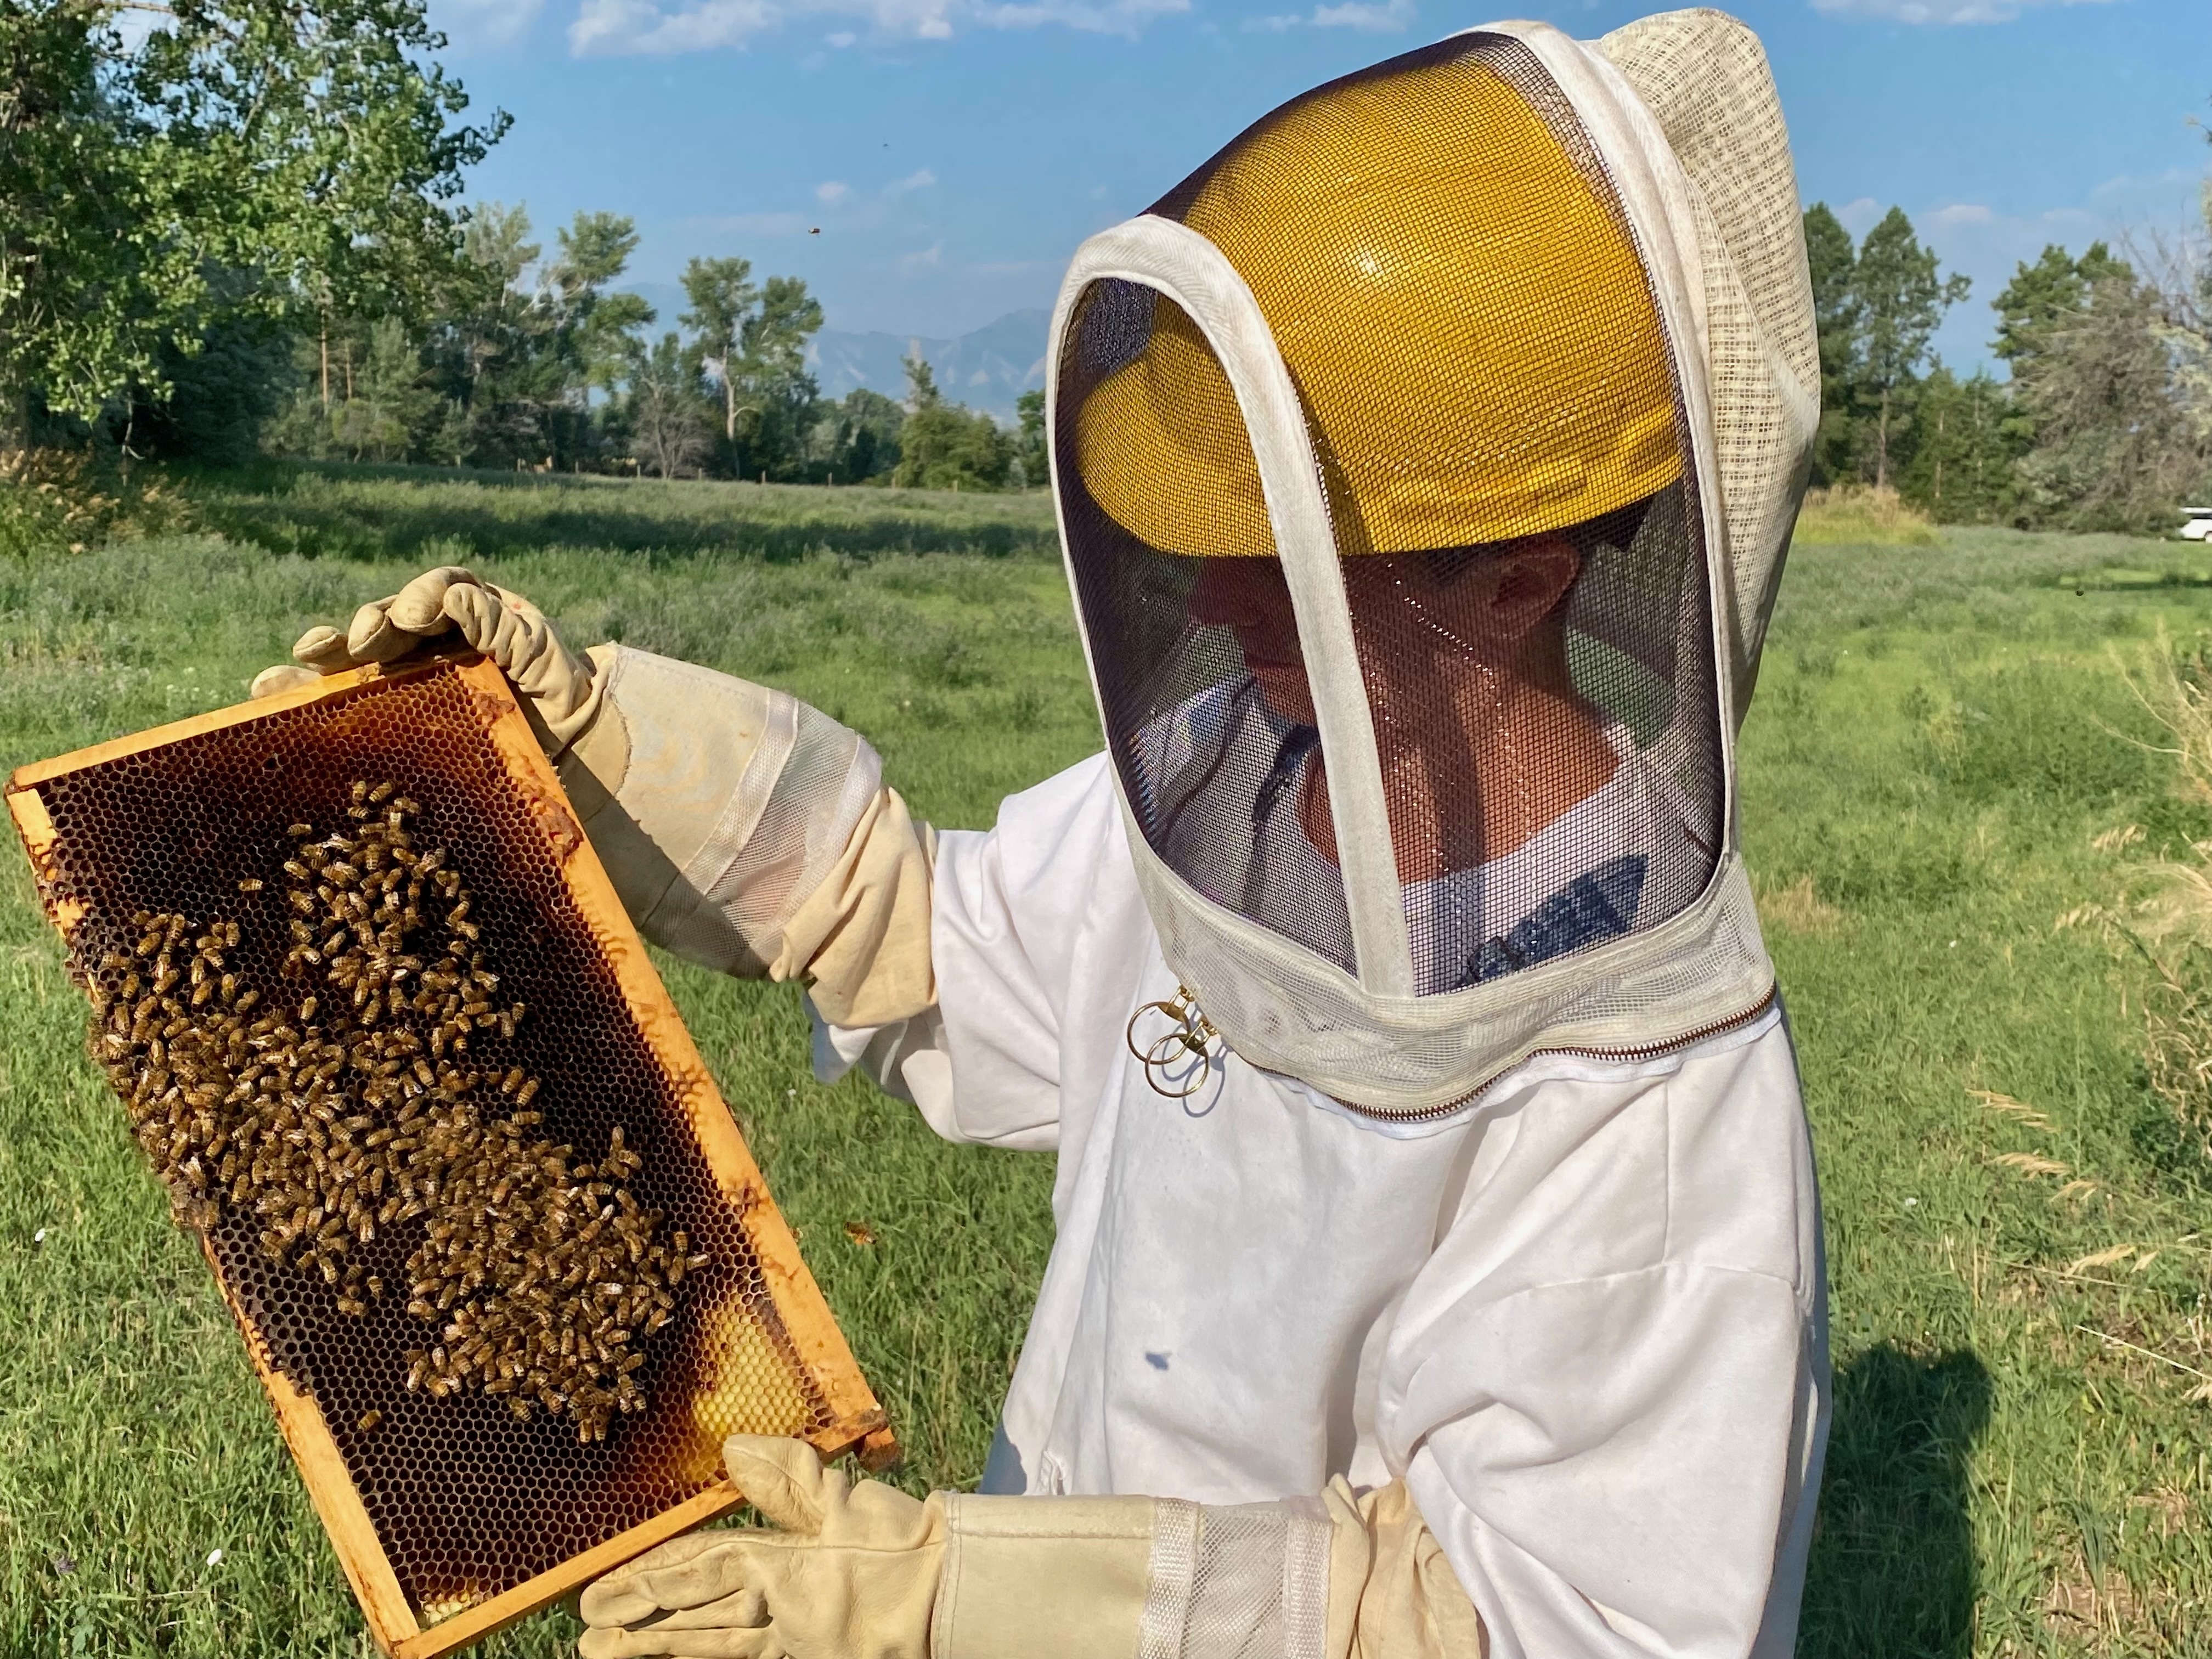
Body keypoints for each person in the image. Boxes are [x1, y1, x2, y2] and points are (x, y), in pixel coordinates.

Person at [256, 12, 1828, 1656]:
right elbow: (919, 936)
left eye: (1276, 558)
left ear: (1522, 579)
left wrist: (978, 1601)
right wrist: (585, 743)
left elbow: (1551, 1626)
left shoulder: (1655, 1117)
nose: (1210, 605)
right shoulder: (1230, 770)